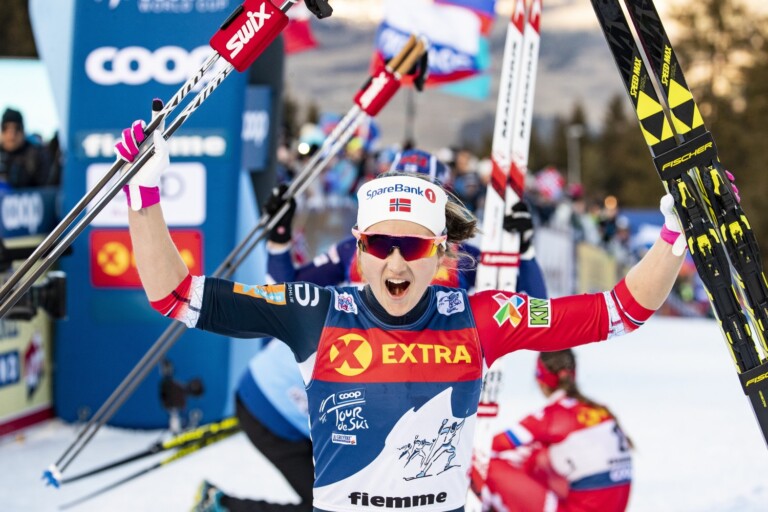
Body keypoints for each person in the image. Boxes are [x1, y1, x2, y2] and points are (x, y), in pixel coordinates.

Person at [116, 106, 685, 512]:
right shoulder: (314, 313)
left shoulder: (481, 318)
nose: (395, 264)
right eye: (379, 245)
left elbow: (621, 311)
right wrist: (142, 197)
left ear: (439, 252)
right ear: (358, 248)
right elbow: (175, 295)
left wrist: (673, 236)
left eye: (411, 247)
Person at [193, 148, 549, 511]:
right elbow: (282, 294)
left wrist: (525, 252)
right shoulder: (359, 247)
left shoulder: (460, 259)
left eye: (420, 192)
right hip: (287, 395)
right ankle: (221, 506)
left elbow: (536, 316)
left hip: (360, 401)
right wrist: (279, 237)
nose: (403, 210)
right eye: (397, 189)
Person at [475, 349, 633, 512]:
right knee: (537, 455)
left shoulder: (551, 416)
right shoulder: (599, 411)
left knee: (484, 464)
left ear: (540, 378)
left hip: (581, 507)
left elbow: (486, 447)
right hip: (609, 505)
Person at [0, 108, 51, 188]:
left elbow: (47, 188)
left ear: (23, 131)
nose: (11, 135)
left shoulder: (37, 156)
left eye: (17, 128)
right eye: (6, 128)